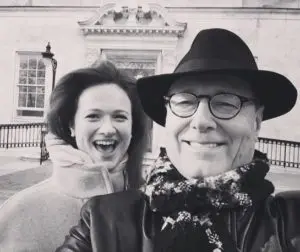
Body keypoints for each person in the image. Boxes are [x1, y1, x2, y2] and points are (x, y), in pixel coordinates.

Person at [56, 28, 300, 252]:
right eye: (185, 102)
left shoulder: (291, 224)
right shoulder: (103, 222)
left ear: (257, 121)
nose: (201, 120)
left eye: (226, 103)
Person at [0, 60, 149, 251]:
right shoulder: (18, 213)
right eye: (93, 116)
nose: (108, 129)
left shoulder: (153, 209)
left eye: (120, 117)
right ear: (71, 126)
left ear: (133, 127)